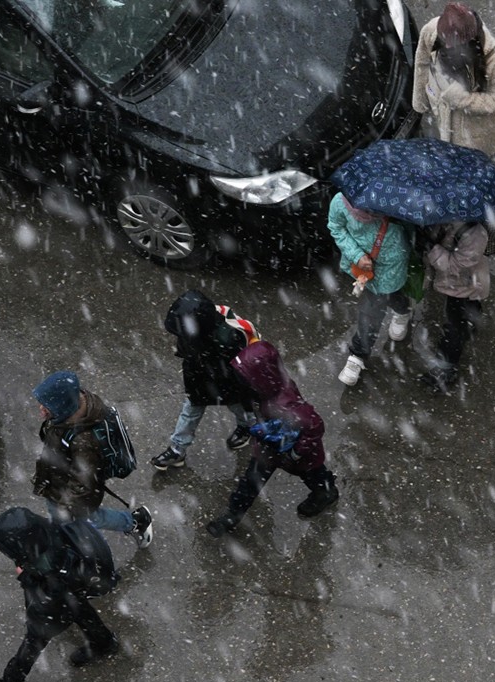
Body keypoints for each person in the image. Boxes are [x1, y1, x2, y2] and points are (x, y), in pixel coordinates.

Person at [0, 507, 119, 682]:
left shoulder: (49, 565)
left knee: (34, 641)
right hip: (76, 585)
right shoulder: (50, 530)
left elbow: (45, 602)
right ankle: (104, 643)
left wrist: (25, 577)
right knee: (78, 608)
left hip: (62, 594)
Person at [207, 340, 338, 537]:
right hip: (270, 447)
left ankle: (326, 492)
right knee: (250, 482)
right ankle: (233, 514)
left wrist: (295, 453)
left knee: (313, 474)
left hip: (297, 453)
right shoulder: (265, 392)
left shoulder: (286, 402)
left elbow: (315, 425)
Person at [32, 370, 153, 547]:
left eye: (46, 406)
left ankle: (135, 522)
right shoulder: (69, 411)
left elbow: (83, 484)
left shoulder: (84, 442)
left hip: (66, 492)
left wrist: (65, 505)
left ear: (63, 406)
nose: (41, 409)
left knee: (87, 519)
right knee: (74, 520)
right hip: (59, 483)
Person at [150, 290, 257, 470]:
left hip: (226, 380)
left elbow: (241, 366)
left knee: (237, 404)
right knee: (191, 410)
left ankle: (248, 426)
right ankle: (178, 449)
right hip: (199, 376)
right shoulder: (195, 327)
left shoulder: (229, 336)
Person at [413, 2, 495, 171]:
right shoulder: (433, 30)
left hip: (475, 126)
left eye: (452, 44)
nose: (446, 46)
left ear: (471, 40)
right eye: (444, 41)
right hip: (443, 107)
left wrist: (463, 100)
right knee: (453, 145)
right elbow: (422, 62)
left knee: (480, 150)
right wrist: (420, 101)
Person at [328, 192, 412, 386]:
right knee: (374, 307)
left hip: (392, 263)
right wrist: (356, 255)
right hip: (363, 265)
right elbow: (336, 227)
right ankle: (358, 354)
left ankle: (401, 312)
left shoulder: (397, 201)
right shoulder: (340, 203)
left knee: (388, 296)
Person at [418, 221, 490, 393]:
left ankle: (446, 369)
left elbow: (452, 266)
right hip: (459, 284)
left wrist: (431, 247)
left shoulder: (475, 235)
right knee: (465, 311)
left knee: (454, 327)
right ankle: (472, 320)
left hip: (464, 286)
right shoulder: (447, 217)